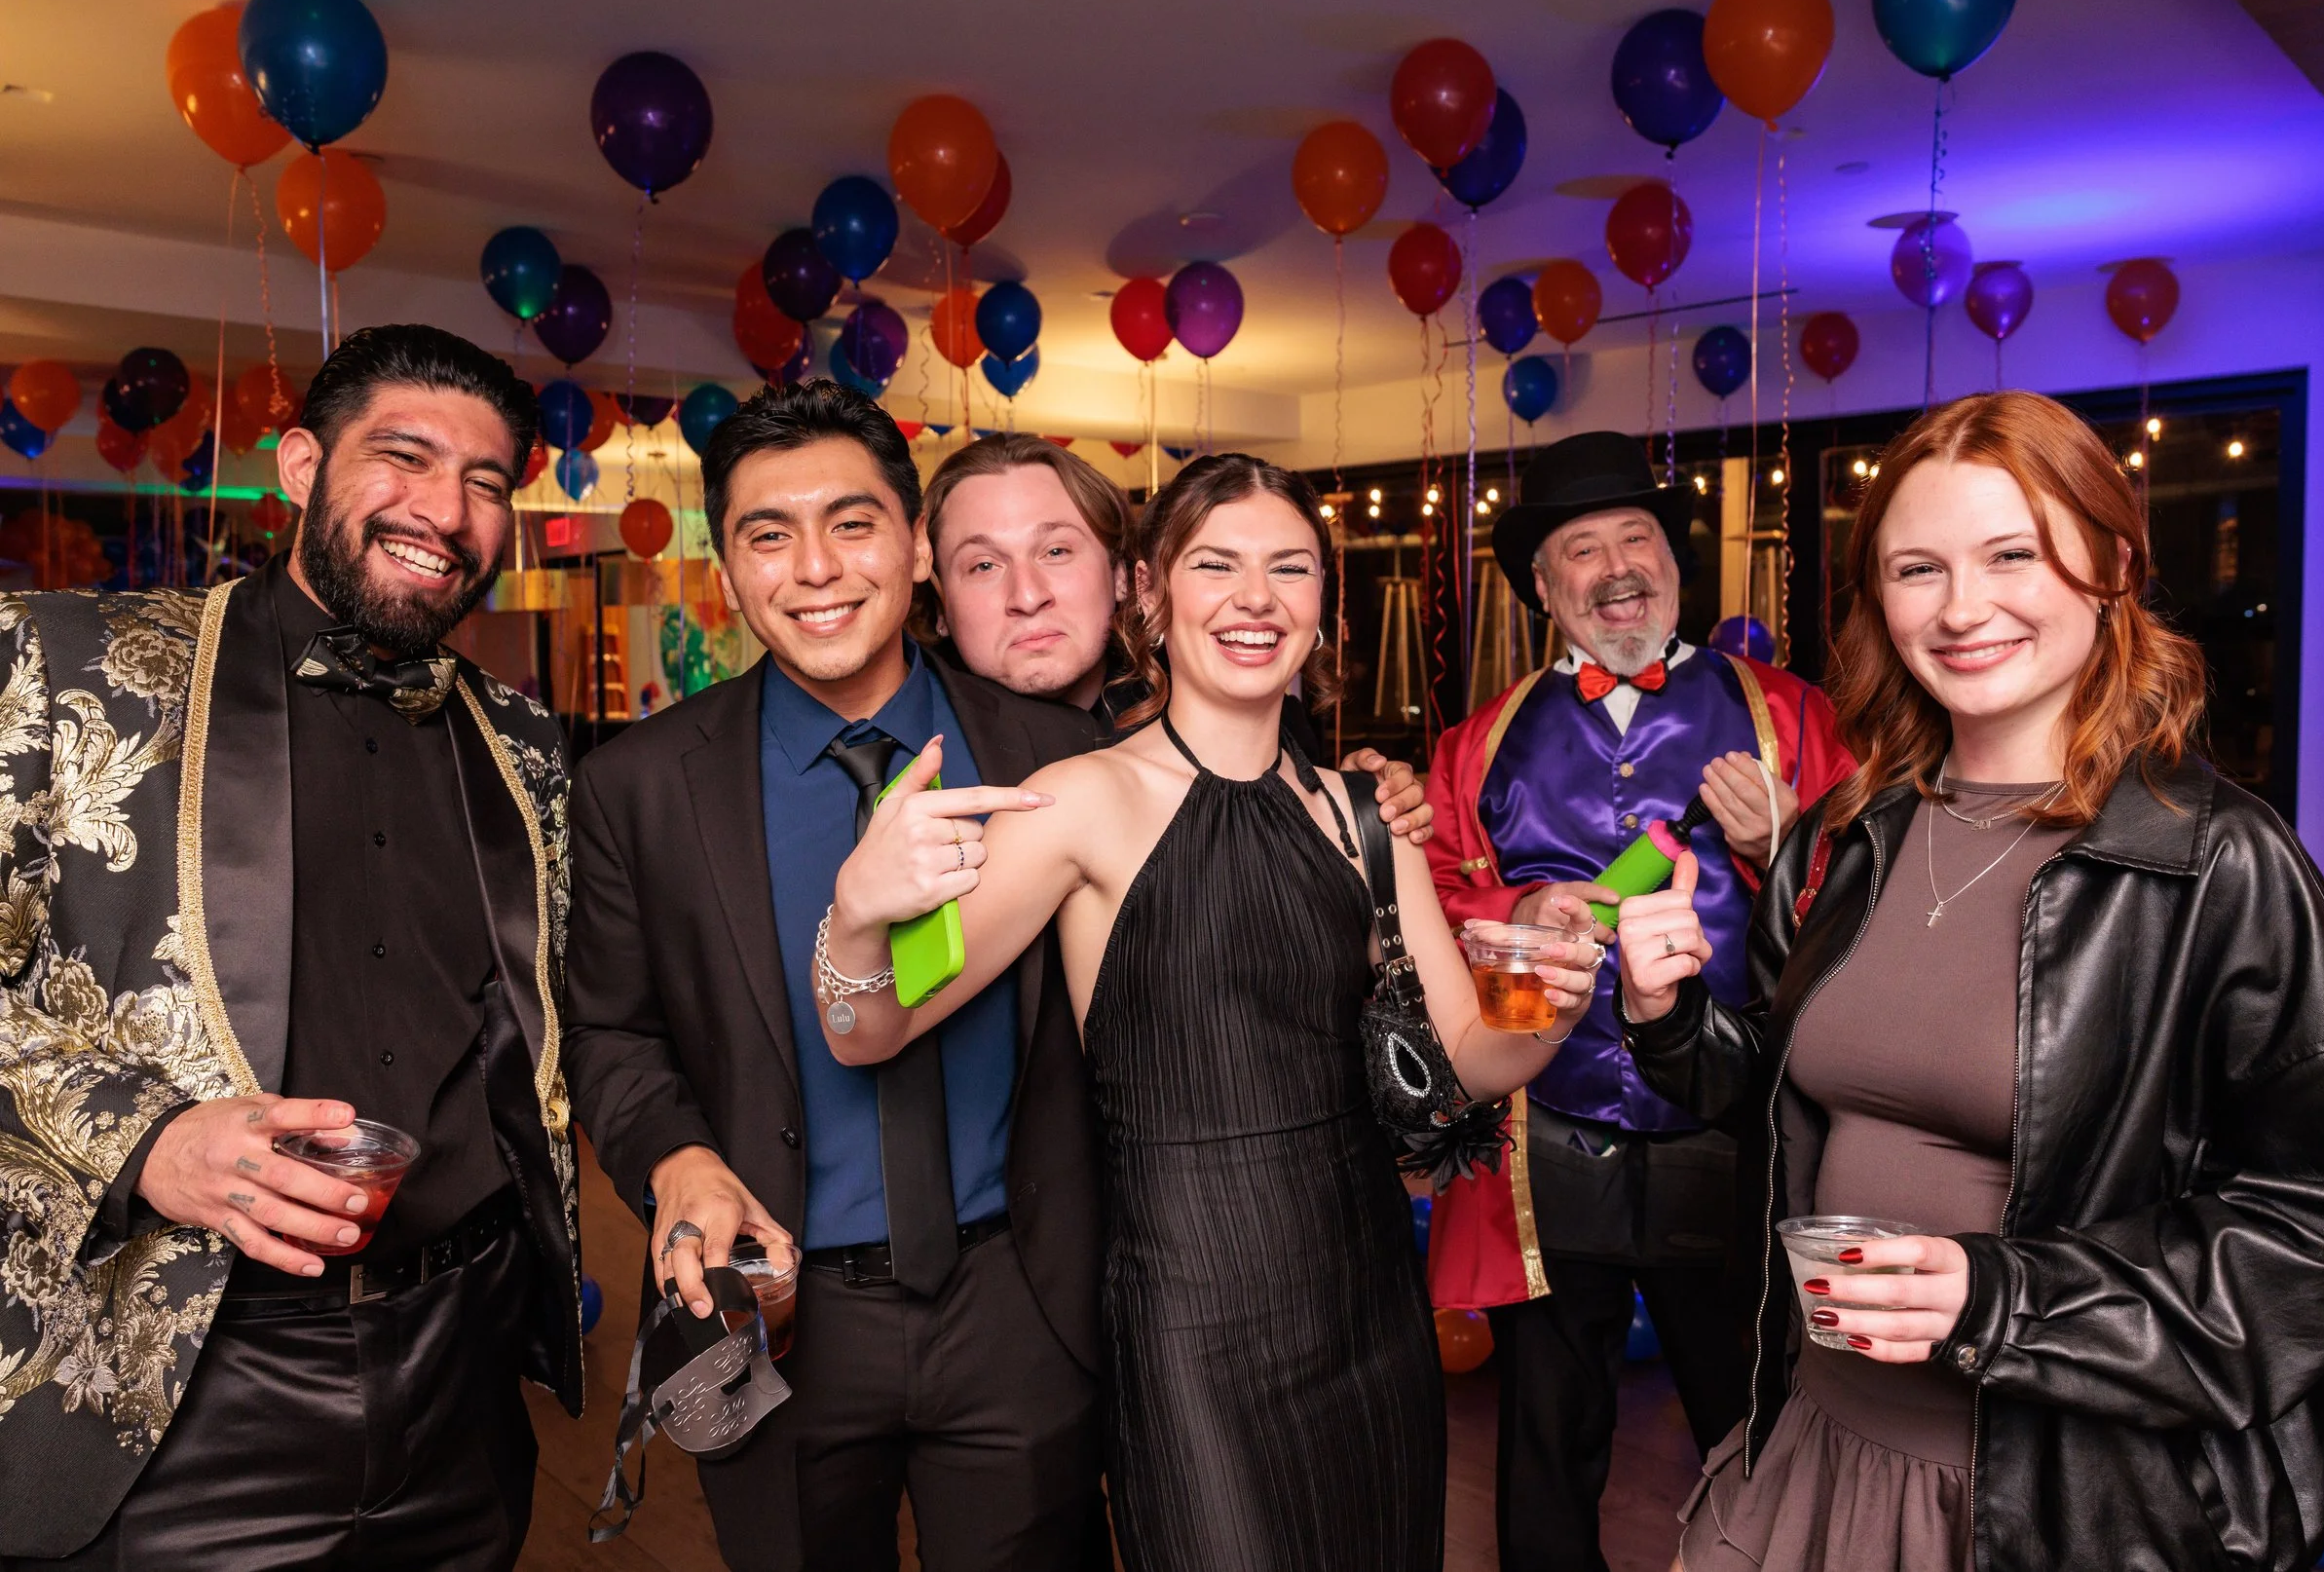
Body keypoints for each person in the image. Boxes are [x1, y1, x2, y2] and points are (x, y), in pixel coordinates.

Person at [1613, 391, 2324, 1572]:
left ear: (2107, 561)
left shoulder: (2215, 863)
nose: (1961, 608)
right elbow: (1794, 1109)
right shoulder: (1849, 834)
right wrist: (1671, 1018)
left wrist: (2000, 1297)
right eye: (1915, 567)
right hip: (1819, 1448)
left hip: (2065, 1506)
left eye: (2011, 553)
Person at [819, 453, 1608, 1572]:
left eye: (1288, 567)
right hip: (1190, 1316)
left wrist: (1559, 997)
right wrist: (856, 914)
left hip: (1369, 1304)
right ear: (1151, 588)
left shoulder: (1359, 816)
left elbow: (1473, 1058)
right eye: (1215, 564)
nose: (1255, 598)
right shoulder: (1084, 801)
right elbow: (870, 1026)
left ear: (1322, 602)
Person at [0, 324, 581, 1568]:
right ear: (302, 465)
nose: (447, 510)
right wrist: (144, 1140)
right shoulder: (61, 660)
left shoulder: (527, 742)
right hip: (178, 1371)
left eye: (486, 482)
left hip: (461, 1368)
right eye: (406, 457)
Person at [561, 382, 1106, 1572]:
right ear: (729, 563)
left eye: (852, 523)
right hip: (776, 1309)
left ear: (915, 544)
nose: (814, 567)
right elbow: (608, 1033)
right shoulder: (640, 786)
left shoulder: (1061, 756)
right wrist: (678, 1159)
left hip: (1024, 1294)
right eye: (768, 533)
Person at [1421, 430, 1851, 1571]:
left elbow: (1874, 901)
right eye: (1580, 548)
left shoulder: (1789, 715)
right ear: (1543, 587)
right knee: (1546, 1440)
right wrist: (1524, 898)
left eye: (1636, 539)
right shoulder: (1478, 742)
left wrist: (1782, 838)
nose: (1615, 566)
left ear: (1673, 561)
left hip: (1725, 1138)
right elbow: (1439, 892)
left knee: (1750, 1430)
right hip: (1545, 1144)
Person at [917, 430, 1429, 837]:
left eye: (1056, 552)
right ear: (940, 604)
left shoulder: (1237, 713)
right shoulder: (908, 753)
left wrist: (1353, 805)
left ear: (1124, 578)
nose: (1027, 596)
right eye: (983, 565)